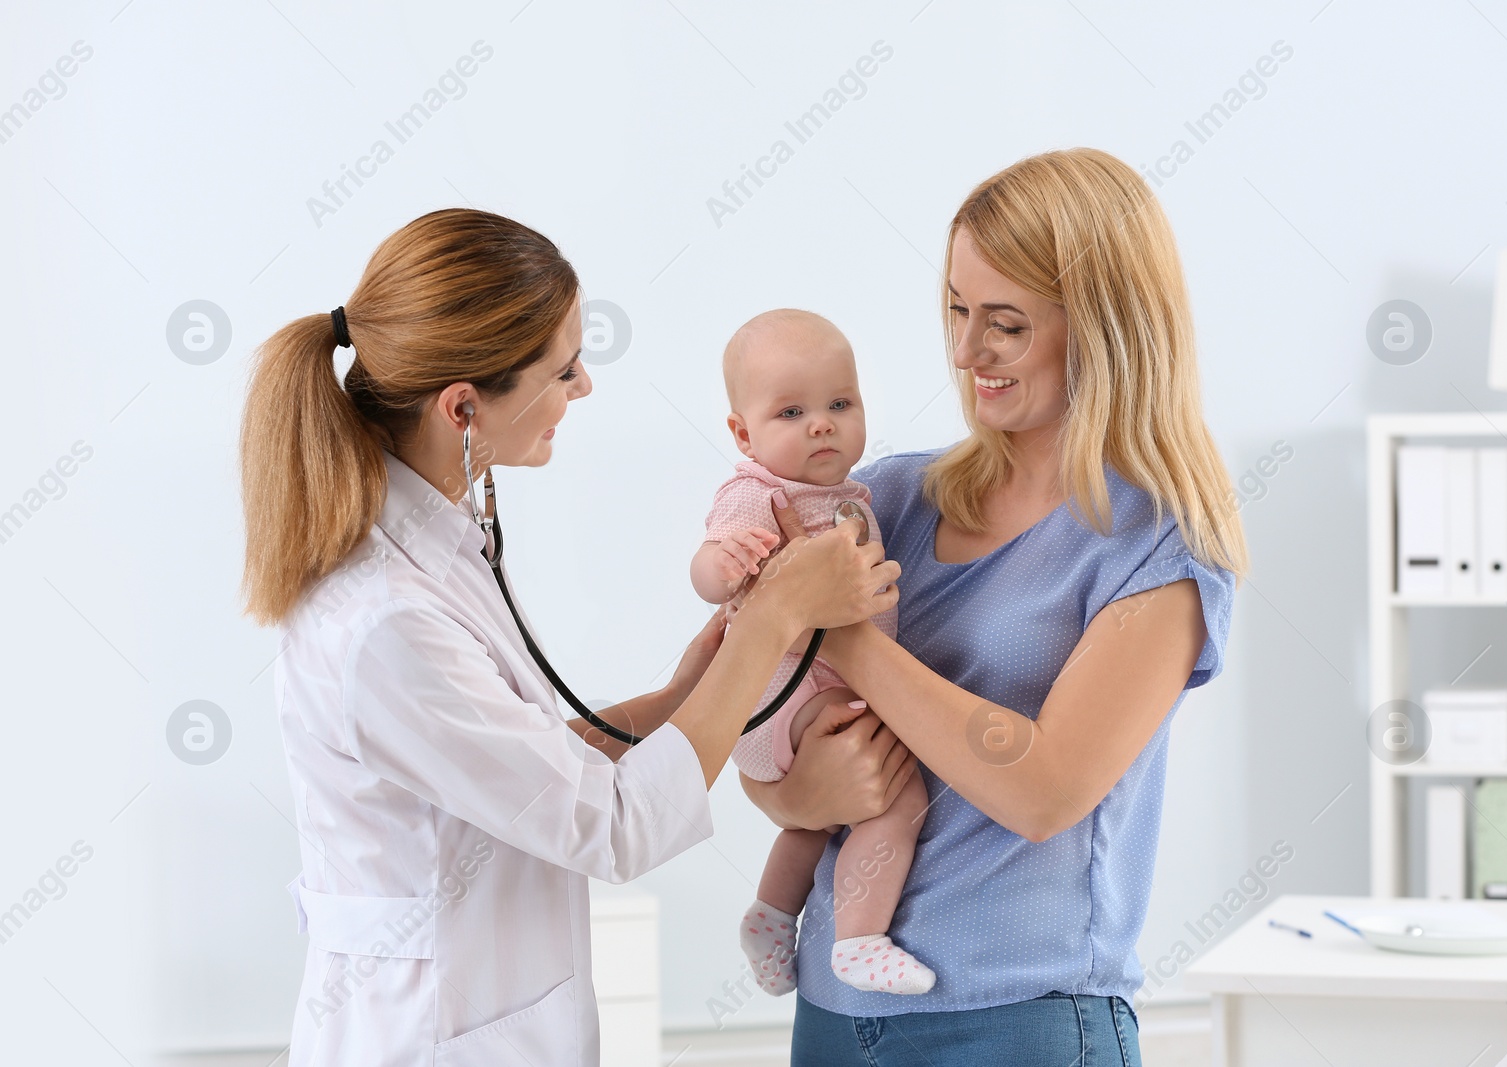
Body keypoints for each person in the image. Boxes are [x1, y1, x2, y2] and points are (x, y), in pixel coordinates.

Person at [236, 208, 901, 1067]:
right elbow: (611, 827)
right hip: (429, 1038)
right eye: (562, 369)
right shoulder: (384, 623)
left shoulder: (435, 547)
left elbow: (523, 770)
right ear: (463, 407)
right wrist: (771, 618)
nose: (583, 387)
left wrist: (681, 694)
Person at [741, 148, 1249, 1067]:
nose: (968, 351)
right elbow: (766, 713)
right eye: (957, 310)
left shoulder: (1156, 545)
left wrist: (849, 638)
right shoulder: (887, 500)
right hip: (833, 1013)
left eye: (1006, 324)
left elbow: (1046, 790)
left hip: (1019, 1021)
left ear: (1103, 329)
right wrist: (792, 789)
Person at [691, 309, 932, 996]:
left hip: (798, 701)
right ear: (743, 433)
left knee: (821, 817)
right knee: (899, 794)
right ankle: (859, 938)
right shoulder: (757, 493)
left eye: (839, 404)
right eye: (792, 410)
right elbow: (708, 573)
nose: (821, 423)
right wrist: (723, 563)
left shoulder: (854, 496)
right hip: (785, 692)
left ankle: (770, 915)